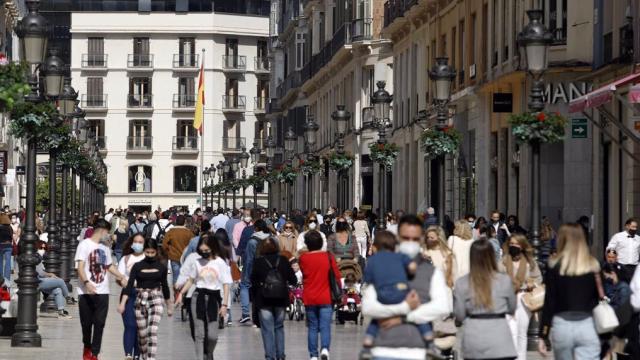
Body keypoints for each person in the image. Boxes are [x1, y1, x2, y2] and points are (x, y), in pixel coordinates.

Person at [361, 214, 450, 360]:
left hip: (417, 353)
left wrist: (401, 317)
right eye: (405, 238)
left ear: (422, 239)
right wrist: (406, 307)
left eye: (415, 239)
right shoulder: (382, 266)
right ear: (398, 239)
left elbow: (442, 307)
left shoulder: (432, 272)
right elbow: (368, 307)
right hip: (382, 351)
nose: (410, 243)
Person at [362, 230, 435, 352]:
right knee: (417, 312)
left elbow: (368, 279)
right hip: (401, 290)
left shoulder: (372, 260)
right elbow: (412, 267)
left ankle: (368, 340)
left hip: (383, 294)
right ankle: (428, 337)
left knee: (377, 319)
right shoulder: (400, 256)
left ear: (375, 247)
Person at [538, 223, 601, 359]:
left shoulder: (554, 265)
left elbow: (550, 301)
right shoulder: (593, 265)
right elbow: (597, 301)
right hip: (587, 324)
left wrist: (543, 334)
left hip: (562, 325)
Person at [453, 239, 517, 360]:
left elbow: (460, 315)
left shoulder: (462, 283)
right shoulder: (504, 280)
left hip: (474, 338)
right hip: (500, 338)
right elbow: (512, 307)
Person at [75, 219, 126, 360]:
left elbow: (109, 266)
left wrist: (121, 276)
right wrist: (86, 283)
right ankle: (87, 346)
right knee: (86, 324)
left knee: (100, 323)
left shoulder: (105, 248)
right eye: (108, 232)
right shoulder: (84, 245)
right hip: (85, 292)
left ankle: (95, 354)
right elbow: (79, 267)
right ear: (102, 231)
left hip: (103, 292)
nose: (109, 235)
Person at [175, 234, 232, 360]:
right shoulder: (197, 262)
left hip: (214, 298)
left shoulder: (220, 262)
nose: (204, 253)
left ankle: (208, 352)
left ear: (213, 248)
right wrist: (181, 294)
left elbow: (226, 284)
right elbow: (191, 280)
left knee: (212, 335)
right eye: (202, 251)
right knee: (199, 334)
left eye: (207, 250)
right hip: (198, 297)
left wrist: (224, 305)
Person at [117, 239, 173, 360]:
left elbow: (165, 286)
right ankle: (143, 356)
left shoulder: (161, 267)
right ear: (144, 251)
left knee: (152, 332)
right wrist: (122, 303)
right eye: (147, 252)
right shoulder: (137, 266)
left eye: (152, 252)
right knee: (142, 335)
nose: (150, 255)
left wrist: (169, 306)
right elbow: (129, 285)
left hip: (156, 299)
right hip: (140, 299)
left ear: (156, 252)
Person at [251, 237, 297, 360]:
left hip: (264, 300)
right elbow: (294, 280)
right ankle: (280, 355)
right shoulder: (283, 260)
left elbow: (253, 282)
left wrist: (254, 299)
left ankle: (269, 357)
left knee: (267, 329)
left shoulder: (258, 262)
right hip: (281, 299)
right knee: (279, 327)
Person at [299, 230, 341, 360]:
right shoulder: (328, 257)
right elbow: (337, 276)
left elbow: (303, 273)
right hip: (326, 296)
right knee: (325, 326)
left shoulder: (303, 258)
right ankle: (324, 349)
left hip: (310, 297)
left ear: (307, 244)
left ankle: (313, 355)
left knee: (312, 327)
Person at [502, 234, 542, 360]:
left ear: (523, 246)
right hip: (508, 298)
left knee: (522, 333)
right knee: (511, 331)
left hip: (524, 298)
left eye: (517, 244)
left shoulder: (530, 262)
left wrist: (532, 283)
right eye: (512, 243)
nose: (514, 246)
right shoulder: (503, 261)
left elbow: (538, 278)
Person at [117, 233, 146, 360]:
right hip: (128, 294)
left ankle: (137, 355)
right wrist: (125, 282)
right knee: (130, 325)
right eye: (136, 241)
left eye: (141, 242)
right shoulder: (125, 259)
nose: (138, 244)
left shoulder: (149, 259)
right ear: (132, 243)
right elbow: (119, 277)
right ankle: (128, 354)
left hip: (144, 295)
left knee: (140, 327)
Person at [239, 219, 272, 324]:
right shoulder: (271, 239)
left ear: (256, 228)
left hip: (255, 268)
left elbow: (249, 259)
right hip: (268, 270)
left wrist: (246, 274)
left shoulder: (252, 241)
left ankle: (245, 313)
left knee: (244, 286)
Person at [36, 254, 73, 319]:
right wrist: (50, 274)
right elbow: (40, 273)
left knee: (57, 290)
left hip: (37, 281)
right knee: (60, 281)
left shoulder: (32, 254)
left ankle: (61, 312)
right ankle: (68, 298)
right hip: (38, 281)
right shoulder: (33, 256)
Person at [606, 218, 640, 282]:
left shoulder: (638, 238)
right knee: (622, 285)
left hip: (634, 267)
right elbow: (610, 248)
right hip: (621, 266)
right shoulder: (618, 236)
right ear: (627, 226)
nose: (635, 229)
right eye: (633, 227)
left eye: (636, 227)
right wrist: (612, 259)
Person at [164, 215, 194, 285]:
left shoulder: (170, 232)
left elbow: (164, 245)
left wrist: (169, 252)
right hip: (186, 258)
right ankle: (183, 293)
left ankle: (176, 293)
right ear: (185, 222)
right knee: (185, 277)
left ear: (176, 222)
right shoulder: (189, 233)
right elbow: (193, 244)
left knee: (176, 277)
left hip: (174, 257)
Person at [424, 225, 456, 290]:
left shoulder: (448, 254)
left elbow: (453, 274)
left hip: (444, 289)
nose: (429, 240)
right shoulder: (424, 253)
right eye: (428, 237)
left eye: (432, 238)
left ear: (439, 238)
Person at [0, 214, 13, 283]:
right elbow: (11, 236)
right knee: (8, 263)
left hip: (1, 246)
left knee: (0, 262)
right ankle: (7, 279)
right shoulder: (10, 227)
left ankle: (1, 278)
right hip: (9, 246)